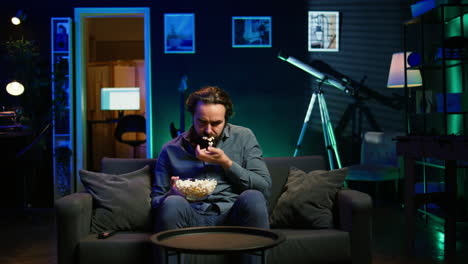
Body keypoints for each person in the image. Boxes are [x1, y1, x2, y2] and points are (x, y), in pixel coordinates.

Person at [151, 86, 271, 234]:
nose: (208, 130)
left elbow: (264, 187)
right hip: (190, 214)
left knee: (254, 197)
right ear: (193, 117)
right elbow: (156, 201)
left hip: (234, 212)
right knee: (172, 203)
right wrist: (172, 194)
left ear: (225, 119)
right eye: (201, 122)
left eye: (216, 123)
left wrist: (226, 163)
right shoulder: (170, 149)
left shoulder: (244, 137)